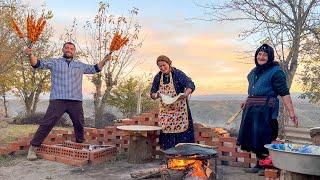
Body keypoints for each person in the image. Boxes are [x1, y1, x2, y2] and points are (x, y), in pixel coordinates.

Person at [24, 42, 111, 160]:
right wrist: (30, 55)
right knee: (47, 123)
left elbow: (95, 68)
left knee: (79, 124)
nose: (69, 50)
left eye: (71, 48)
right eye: (67, 48)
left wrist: (105, 59)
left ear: (74, 51)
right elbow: (37, 64)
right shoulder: (54, 62)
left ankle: (80, 147)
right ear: (63, 50)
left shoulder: (80, 65)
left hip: (75, 100)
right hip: (58, 99)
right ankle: (33, 149)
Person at [237, 44, 299, 174]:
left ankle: (268, 167)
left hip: (266, 110)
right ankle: (259, 165)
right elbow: (253, 91)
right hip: (252, 109)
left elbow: (284, 93)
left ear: (270, 57)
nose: (261, 57)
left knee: (264, 136)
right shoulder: (254, 72)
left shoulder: (276, 72)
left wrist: (291, 112)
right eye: (259, 54)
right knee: (254, 137)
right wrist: (246, 100)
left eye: (265, 55)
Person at [150, 55, 195, 150]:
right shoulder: (158, 77)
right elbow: (152, 93)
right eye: (160, 66)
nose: (162, 68)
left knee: (182, 137)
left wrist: (186, 93)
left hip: (180, 111)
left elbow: (190, 84)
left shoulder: (178, 74)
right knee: (167, 136)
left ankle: (184, 158)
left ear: (169, 63)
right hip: (166, 113)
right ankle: (169, 158)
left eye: (164, 65)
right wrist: (156, 95)